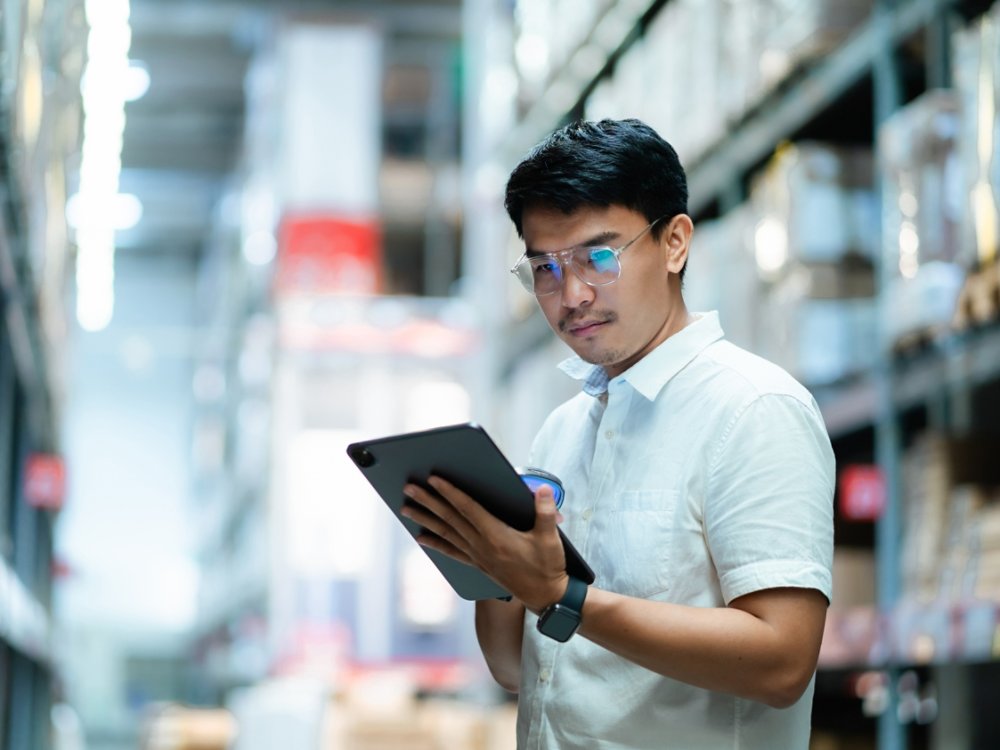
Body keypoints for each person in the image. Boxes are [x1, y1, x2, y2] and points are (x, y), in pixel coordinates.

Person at [400, 118, 834, 749]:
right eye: (544, 269)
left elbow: (783, 661)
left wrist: (562, 595)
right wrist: (489, 564)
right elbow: (511, 668)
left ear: (675, 242)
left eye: (597, 257)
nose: (571, 294)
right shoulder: (562, 432)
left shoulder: (754, 410)